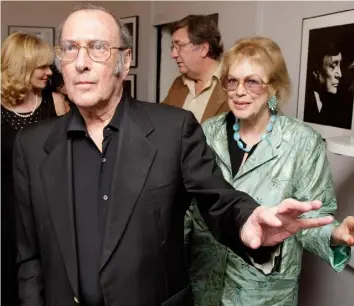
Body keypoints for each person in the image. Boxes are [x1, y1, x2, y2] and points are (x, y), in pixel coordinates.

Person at [13, 6, 334, 306]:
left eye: (98, 48)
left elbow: (218, 198)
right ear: (60, 62)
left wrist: (247, 220)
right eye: (70, 48)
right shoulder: (31, 146)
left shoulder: (173, 131)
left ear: (124, 62)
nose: (81, 62)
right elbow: (29, 258)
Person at [185, 37, 354, 306]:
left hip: (263, 294)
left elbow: (311, 220)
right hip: (204, 283)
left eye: (252, 82)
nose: (239, 91)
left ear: (273, 87)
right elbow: (190, 207)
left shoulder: (302, 142)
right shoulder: (206, 132)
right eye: (232, 81)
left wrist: (335, 235)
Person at [1, 32, 69, 306]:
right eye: (41, 66)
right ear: (22, 67)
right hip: (4, 211)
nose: (48, 72)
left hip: (48, 209)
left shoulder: (57, 103)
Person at [163, 15, 229, 123]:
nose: (173, 54)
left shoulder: (234, 83)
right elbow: (161, 121)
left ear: (203, 49)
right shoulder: (178, 83)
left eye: (180, 46)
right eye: (173, 48)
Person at [304, 39, 352, 129]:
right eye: (333, 67)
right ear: (316, 72)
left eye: (339, 66)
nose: (340, 74)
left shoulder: (337, 105)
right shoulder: (306, 103)